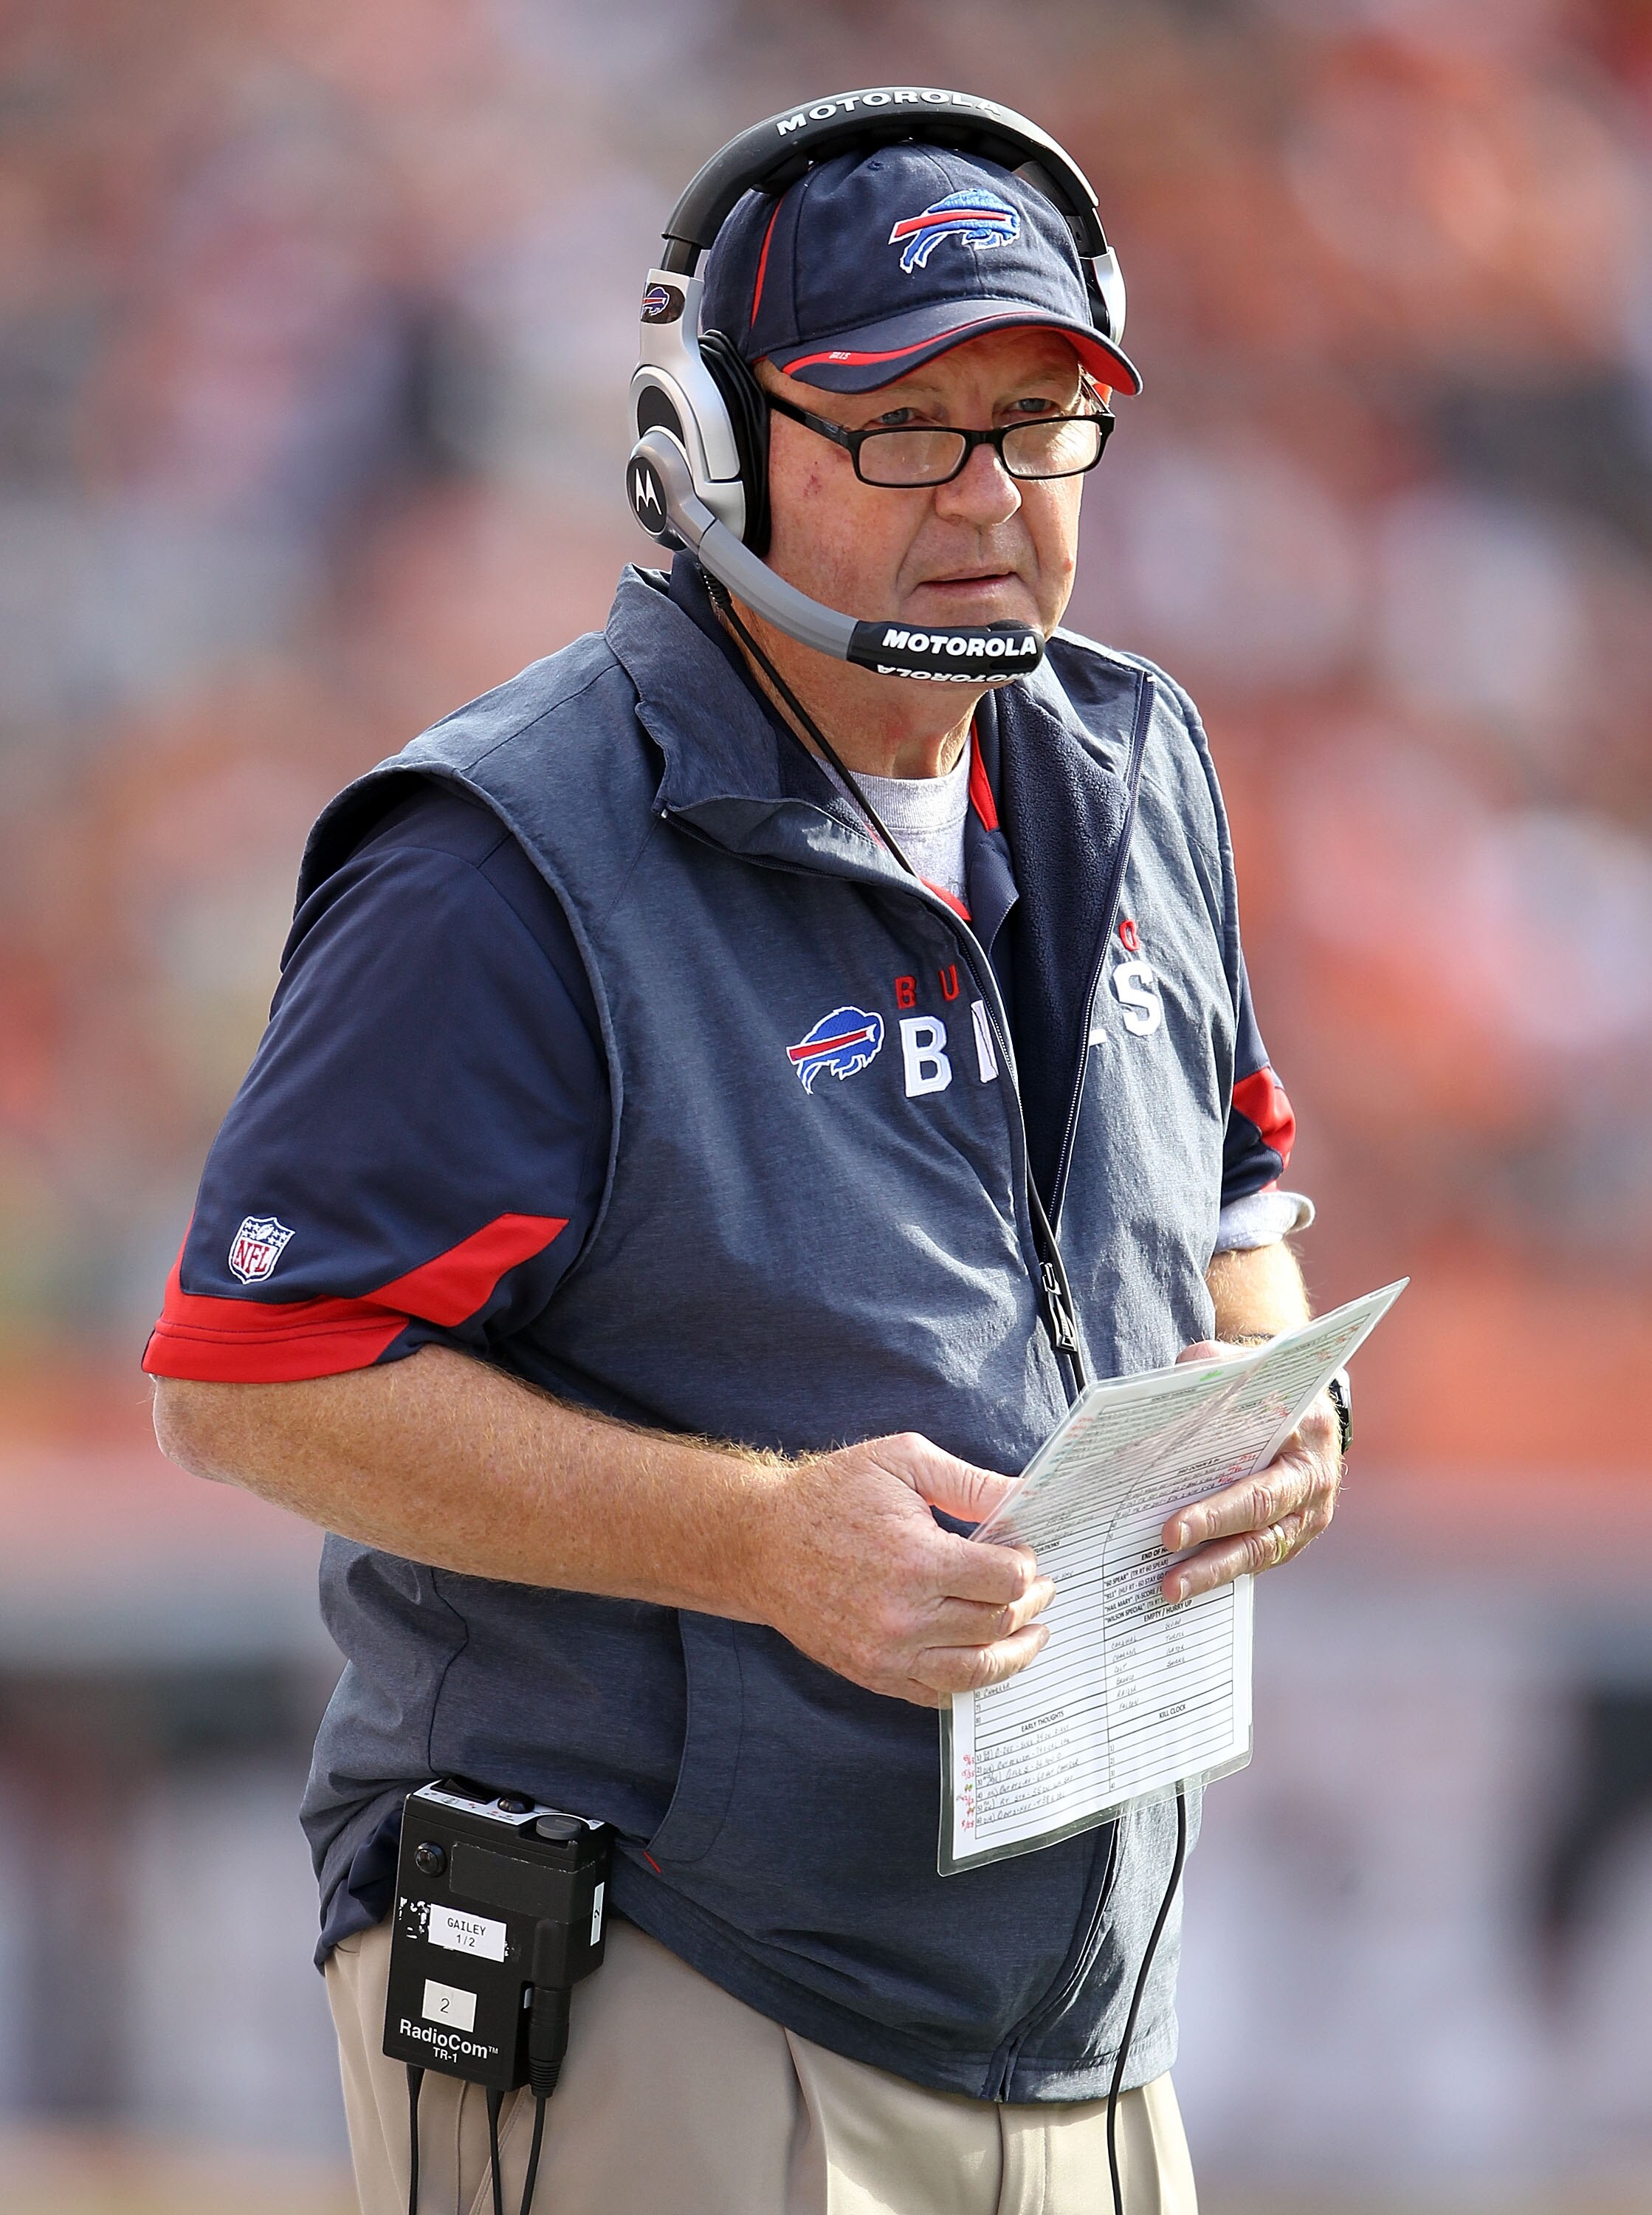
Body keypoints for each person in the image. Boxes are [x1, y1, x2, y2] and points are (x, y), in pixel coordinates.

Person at [146, 103, 1340, 2215]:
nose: (984, 497)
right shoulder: (500, 859)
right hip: (660, 1969)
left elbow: (1233, 1208)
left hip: (1069, 1998)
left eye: (1038, 423)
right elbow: (252, 1376)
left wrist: (1272, 1398)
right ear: (702, 438)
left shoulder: (1134, 765)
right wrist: (764, 1540)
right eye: (897, 426)